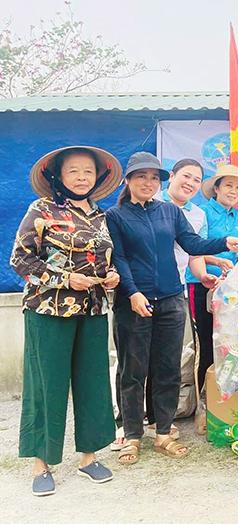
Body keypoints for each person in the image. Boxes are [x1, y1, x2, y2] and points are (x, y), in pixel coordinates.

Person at [107, 152, 238, 465]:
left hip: (171, 299)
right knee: (133, 371)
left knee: (168, 369)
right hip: (134, 303)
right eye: (142, 176)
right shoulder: (115, 216)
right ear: (128, 180)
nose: (149, 182)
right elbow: (120, 259)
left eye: (154, 177)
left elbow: (193, 244)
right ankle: (132, 435)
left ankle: (164, 432)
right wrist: (133, 292)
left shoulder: (169, 212)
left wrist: (226, 242)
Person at [10, 145, 123, 495]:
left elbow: (103, 259)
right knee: (48, 386)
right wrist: (63, 279)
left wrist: (112, 275)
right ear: (58, 175)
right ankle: (41, 464)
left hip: (91, 311)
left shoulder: (102, 216)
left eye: (88, 171)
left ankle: (89, 458)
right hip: (49, 313)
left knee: (92, 385)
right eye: (73, 171)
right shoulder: (41, 210)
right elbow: (20, 260)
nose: (81, 177)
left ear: (97, 177)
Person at [187, 164, 238, 433]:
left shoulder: (237, 215)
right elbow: (193, 249)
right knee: (206, 346)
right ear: (215, 188)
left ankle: (228, 404)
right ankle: (204, 408)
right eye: (228, 185)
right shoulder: (202, 213)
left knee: (232, 344)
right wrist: (214, 267)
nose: (233, 191)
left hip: (235, 291)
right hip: (205, 287)